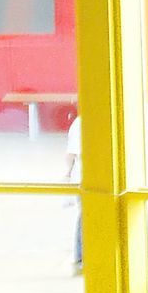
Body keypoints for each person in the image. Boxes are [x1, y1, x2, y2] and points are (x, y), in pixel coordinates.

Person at [65, 112, 82, 273]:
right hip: (84, 178)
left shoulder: (79, 123)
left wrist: (67, 174)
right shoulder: (80, 124)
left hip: (82, 177)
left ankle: (80, 257)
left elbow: (70, 154)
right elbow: (71, 154)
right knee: (85, 217)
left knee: (84, 216)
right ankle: (81, 257)